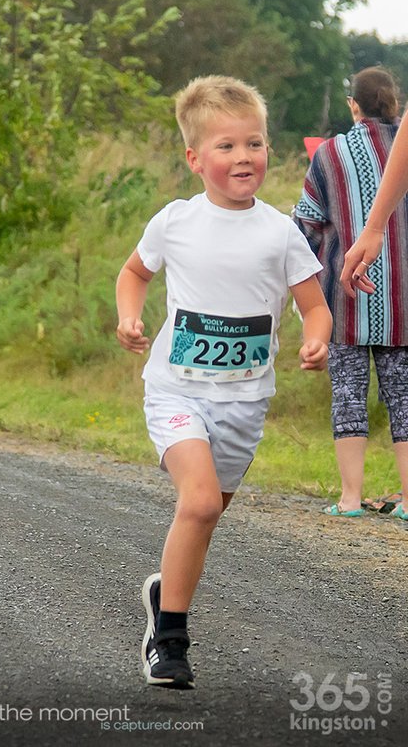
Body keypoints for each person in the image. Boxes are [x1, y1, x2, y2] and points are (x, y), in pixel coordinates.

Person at [115, 76, 331, 689]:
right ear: (195, 158)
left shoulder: (281, 231)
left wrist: (317, 336)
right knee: (201, 501)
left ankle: (165, 593)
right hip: (176, 391)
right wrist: (130, 314)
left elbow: (313, 306)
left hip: (245, 401)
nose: (244, 157)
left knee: (205, 514)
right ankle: (170, 639)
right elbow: (134, 273)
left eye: (255, 144)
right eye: (227, 146)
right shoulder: (175, 221)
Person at [294, 67, 408, 518]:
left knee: (347, 394)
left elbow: (306, 225)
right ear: (394, 102)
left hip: (344, 301)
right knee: (405, 398)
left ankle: (348, 499)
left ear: (352, 105)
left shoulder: (330, 154)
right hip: (403, 300)